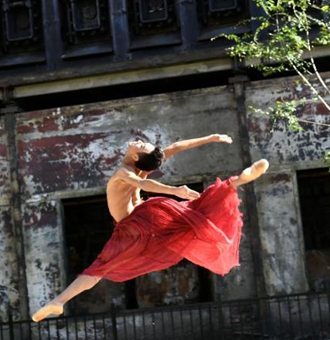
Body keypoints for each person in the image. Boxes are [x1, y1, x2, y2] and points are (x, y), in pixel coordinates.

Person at [31, 133, 269, 322]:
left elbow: (145, 181)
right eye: (143, 143)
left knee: (99, 268)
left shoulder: (125, 172)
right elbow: (175, 147)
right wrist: (209, 139)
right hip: (146, 225)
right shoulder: (137, 168)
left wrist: (176, 190)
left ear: (136, 157)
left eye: (141, 145)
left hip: (135, 226)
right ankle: (235, 182)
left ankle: (60, 301)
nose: (139, 142)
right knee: (192, 211)